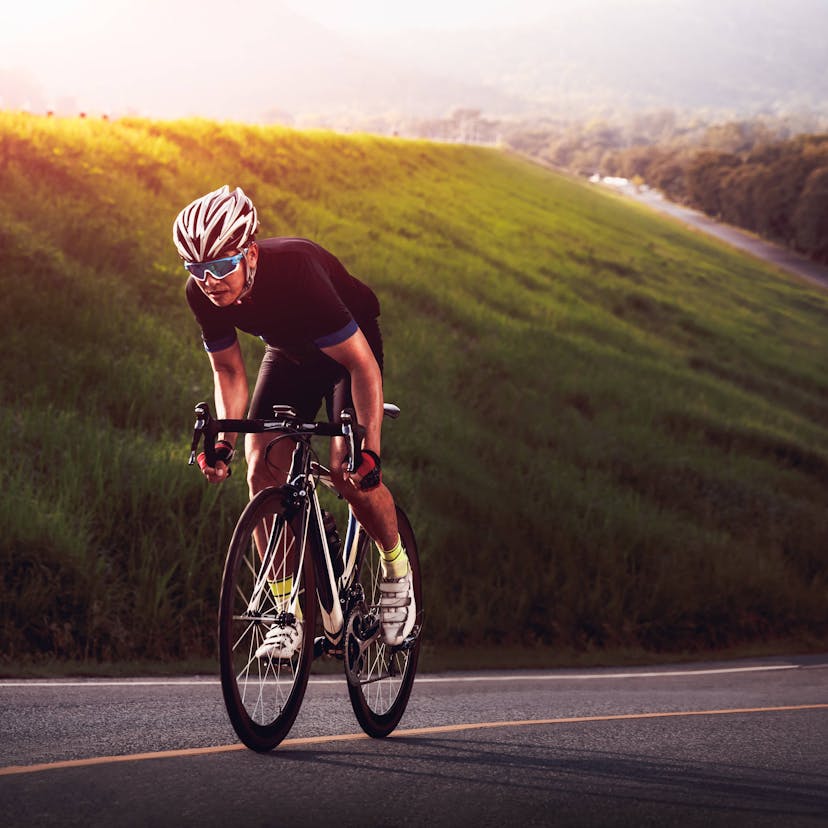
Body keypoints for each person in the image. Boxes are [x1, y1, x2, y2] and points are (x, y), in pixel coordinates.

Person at [173, 185, 414, 658]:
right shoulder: (201, 293)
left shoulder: (299, 271)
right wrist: (222, 441)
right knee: (260, 464)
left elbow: (361, 367)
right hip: (289, 352)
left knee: (349, 472)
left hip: (348, 349)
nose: (210, 281)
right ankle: (285, 614)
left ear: (250, 254)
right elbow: (228, 370)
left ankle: (395, 568)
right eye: (197, 269)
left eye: (221, 266)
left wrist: (372, 452)